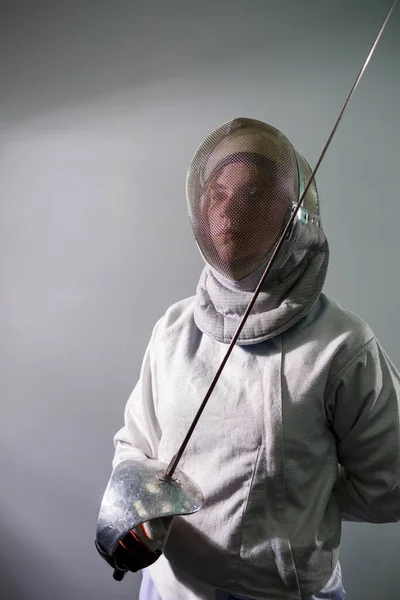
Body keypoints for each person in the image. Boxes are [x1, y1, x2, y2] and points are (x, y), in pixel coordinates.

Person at [97, 118, 400, 599]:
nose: (230, 211)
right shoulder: (174, 330)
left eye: (255, 195)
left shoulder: (343, 345)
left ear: (292, 214)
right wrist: (136, 512)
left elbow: (392, 484)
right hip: (169, 590)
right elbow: (134, 445)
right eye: (217, 193)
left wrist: (300, 501)